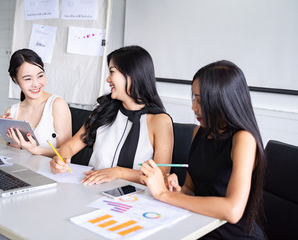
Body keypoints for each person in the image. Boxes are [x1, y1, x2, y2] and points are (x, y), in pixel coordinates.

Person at [140, 60, 266, 239]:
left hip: (233, 235)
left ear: (222, 100)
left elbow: (232, 210)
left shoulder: (243, 139)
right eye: (194, 98)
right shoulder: (199, 132)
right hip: (201, 227)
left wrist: (163, 194)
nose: (193, 107)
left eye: (200, 100)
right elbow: (191, 189)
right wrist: (177, 190)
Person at [50, 46, 174, 185]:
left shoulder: (160, 121)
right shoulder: (104, 110)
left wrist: (118, 172)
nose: (108, 79)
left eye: (112, 72)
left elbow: (161, 174)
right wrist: (61, 159)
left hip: (134, 199)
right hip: (92, 189)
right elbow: (70, 147)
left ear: (132, 74)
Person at [2, 48, 72, 157]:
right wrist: (7, 132)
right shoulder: (12, 112)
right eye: (27, 79)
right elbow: (14, 155)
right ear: (15, 79)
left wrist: (35, 149)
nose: (36, 84)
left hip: (50, 171)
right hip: (21, 171)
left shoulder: (57, 105)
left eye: (40, 76)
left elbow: (67, 152)